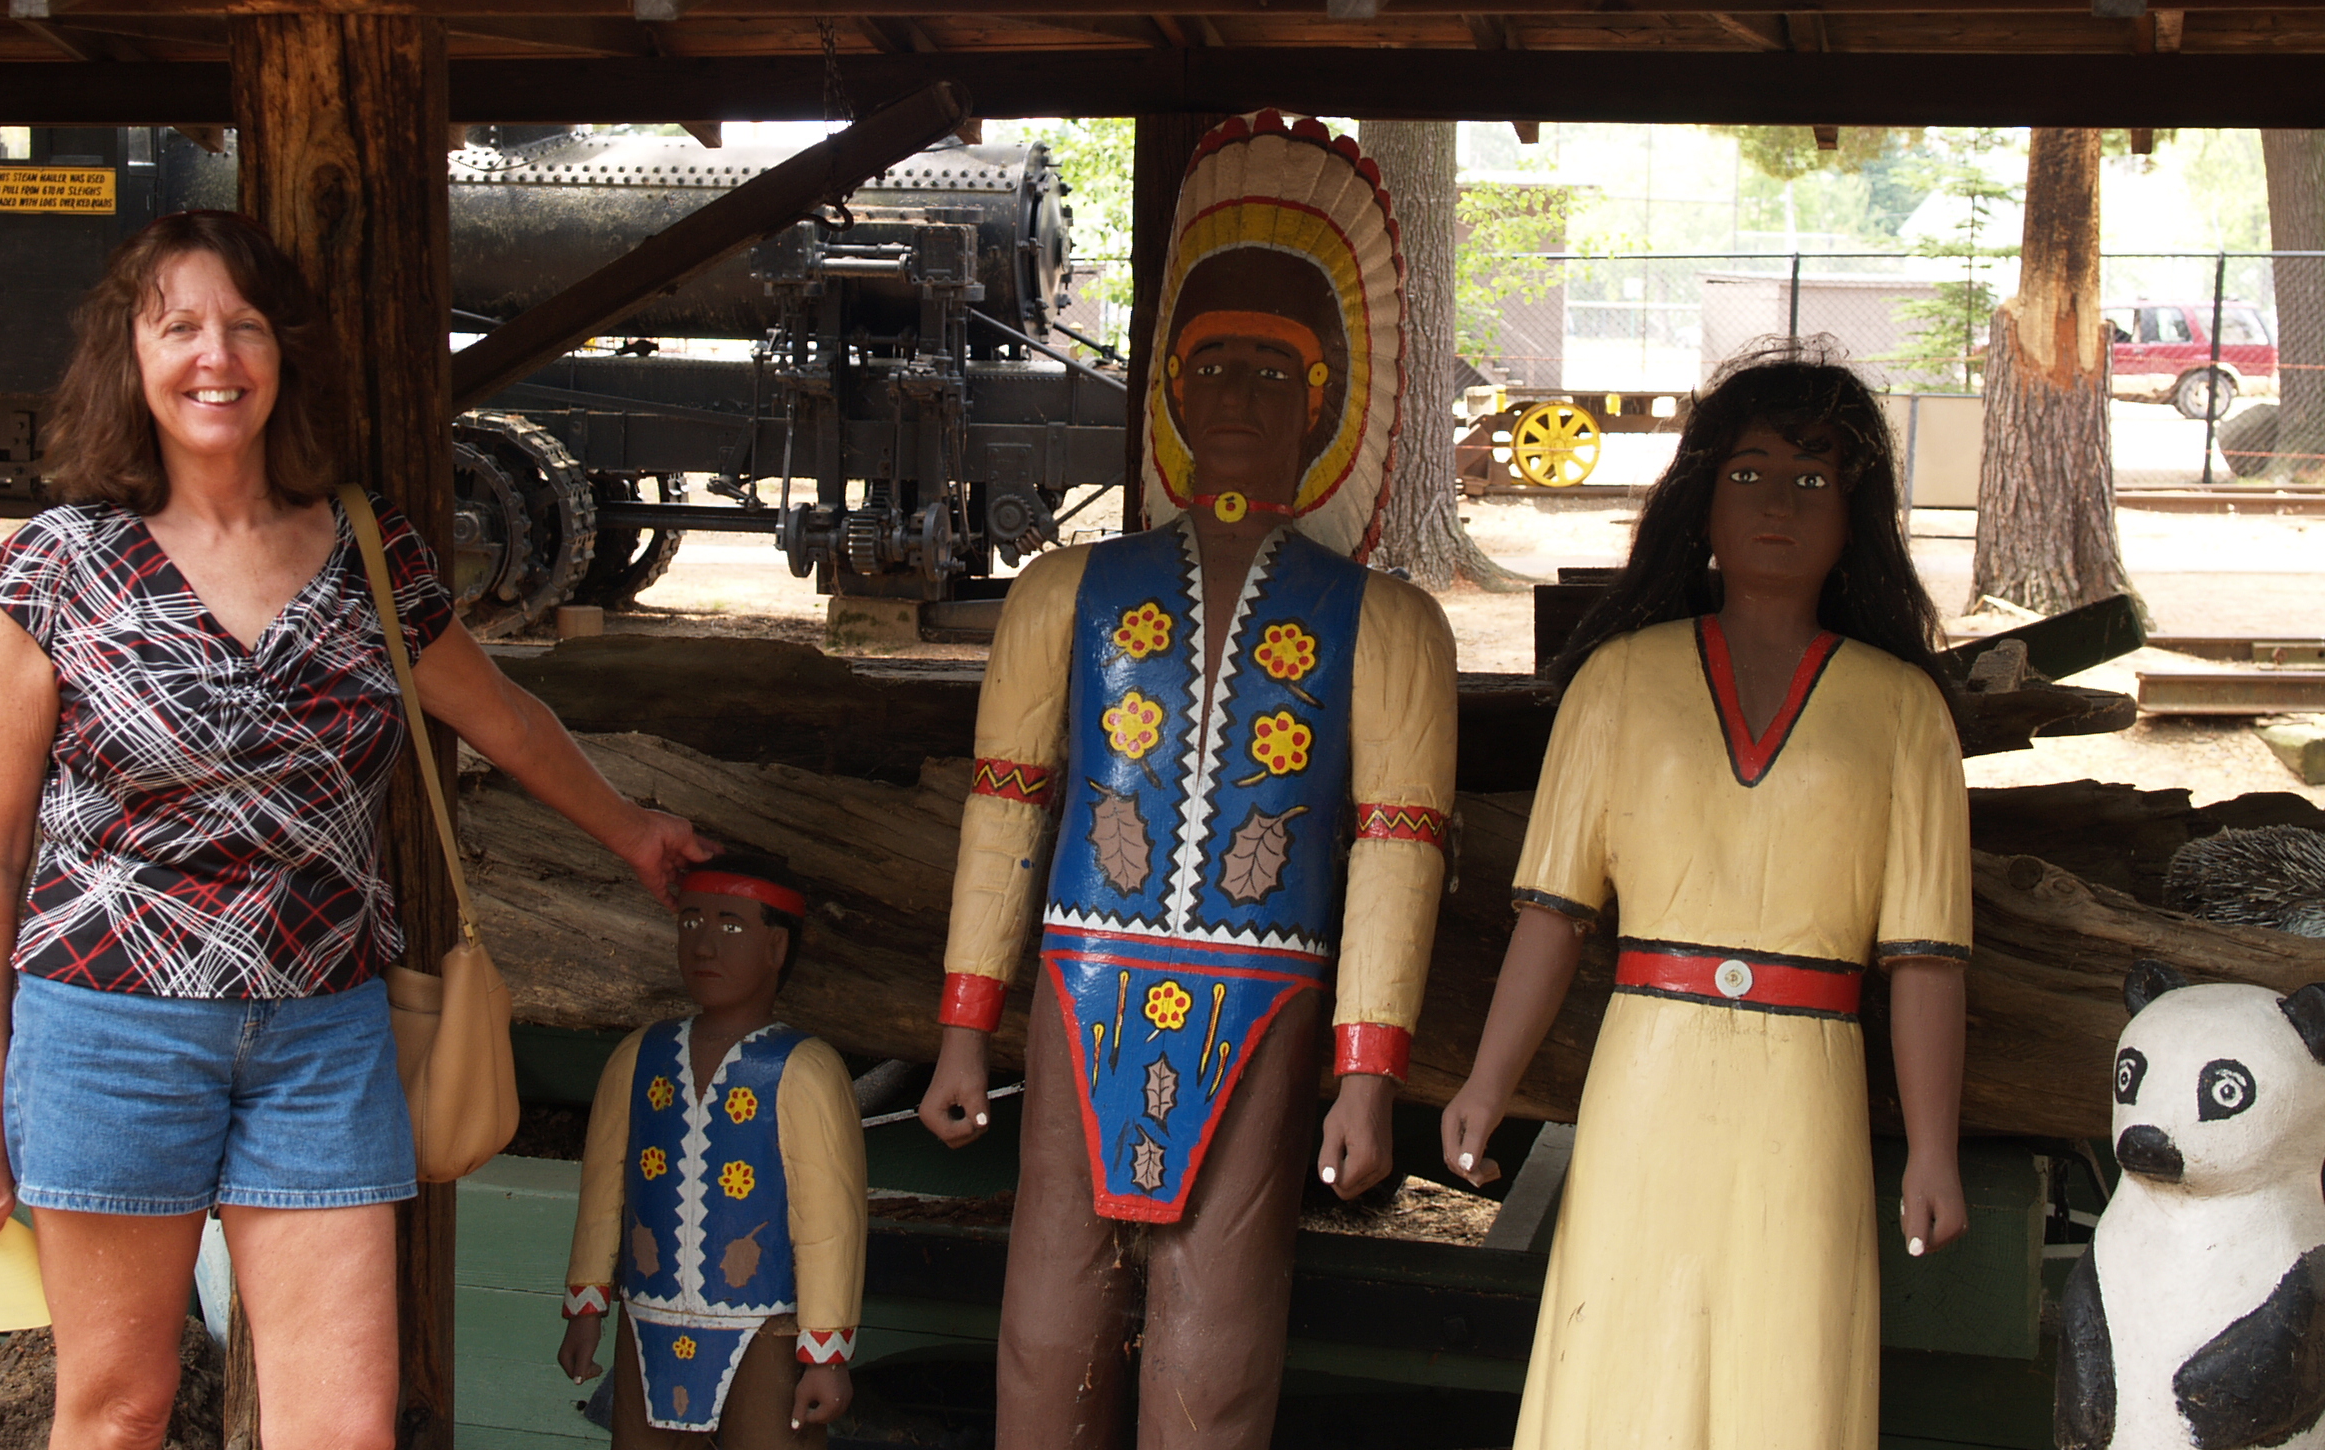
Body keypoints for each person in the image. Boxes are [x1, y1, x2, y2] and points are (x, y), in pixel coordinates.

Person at [0, 209, 714, 1450]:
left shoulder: (365, 548)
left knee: (341, 1428)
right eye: (179, 327)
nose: (215, 357)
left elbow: (502, 717)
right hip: (109, 1031)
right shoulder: (58, 567)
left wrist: (633, 832)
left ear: (283, 354)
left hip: (321, 1035)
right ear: (129, 355)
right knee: (118, 1411)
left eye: (243, 326)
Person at [916, 112, 1458, 1450]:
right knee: (1048, 1323)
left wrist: (1367, 1071)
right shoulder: (1063, 595)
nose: (1237, 397)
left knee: (1217, 1335)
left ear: (1326, 398)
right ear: (1166, 384)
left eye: (1273, 372)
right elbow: (1007, 804)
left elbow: (1398, 847)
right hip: (1079, 978)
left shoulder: (1388, 626)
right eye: (1210, 363)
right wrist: (964, 1025)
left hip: (1267, 998)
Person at [1440, 351, 1973, 1450]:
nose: (1780, 503)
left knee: (1788, 1343)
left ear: (1856, 518)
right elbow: (1553, 913)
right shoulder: (1616, 681)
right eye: (1749, 472)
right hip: (1647, 1069)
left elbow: (1924, 955)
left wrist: (1933, 1149)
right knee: (1622, 1332)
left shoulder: (1905, 711)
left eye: (1814, 479)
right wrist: (1484, 1086)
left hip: (1806, 1088)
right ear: (1700, 502)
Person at [557, 856, 866, 1447]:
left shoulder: (804, 1069)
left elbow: (831, 1223)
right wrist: (587, 1306)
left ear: (776, 947)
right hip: (646, 1321)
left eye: (730, 925)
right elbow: (602, 1193)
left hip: (765, 1325)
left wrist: (826, 1350)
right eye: (691, 922)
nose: (704, 945)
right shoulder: (637, 1058)